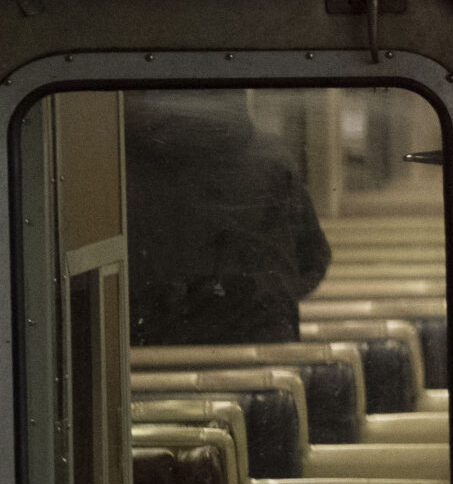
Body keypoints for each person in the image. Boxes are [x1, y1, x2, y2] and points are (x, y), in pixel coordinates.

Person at [123, 90, 333, 345]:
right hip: (261, 344)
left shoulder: (121, 169)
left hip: (149, 353)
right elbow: (312, 260)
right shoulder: (271, 158)